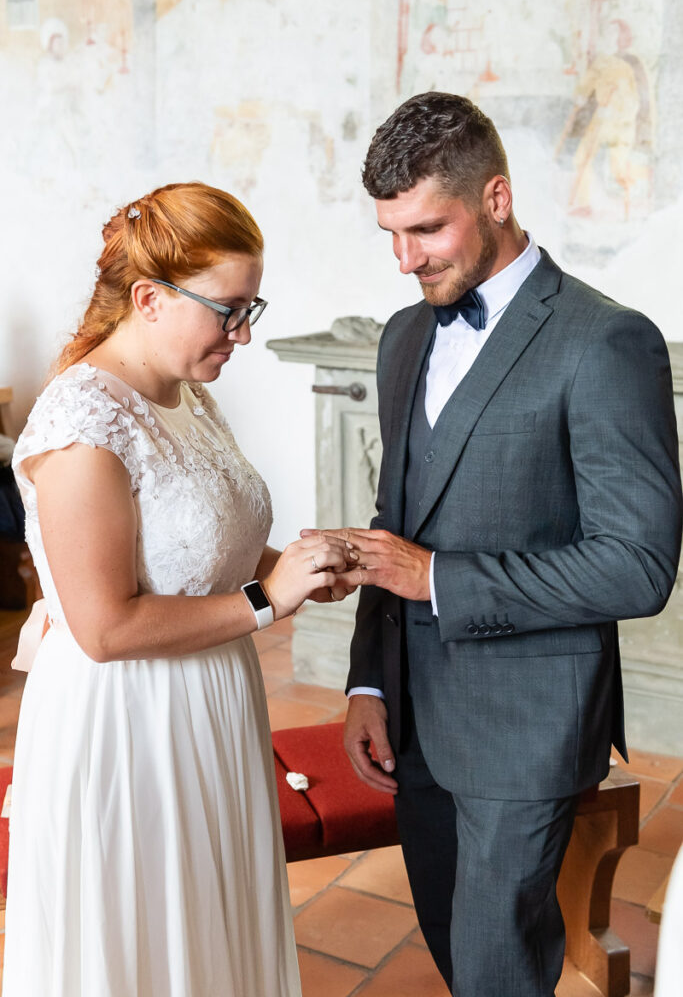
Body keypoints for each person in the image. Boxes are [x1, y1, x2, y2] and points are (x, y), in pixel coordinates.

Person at [316, 93, 683, 996]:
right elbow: (388, 521)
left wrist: (437, 576)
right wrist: (368, 680)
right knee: (452, 945)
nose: (406, 260)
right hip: (411, 715)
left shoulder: (606, 342)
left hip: (528, 722)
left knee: (496, 967)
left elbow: (639, 566)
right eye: (389, 235)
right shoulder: (404, 336)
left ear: (496, 197)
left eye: (426, 229)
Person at [4, 182, 352, 997]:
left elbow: (205, 541)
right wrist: (271, 600)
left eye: (250, 307)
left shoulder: (187, 391)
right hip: (127, 725)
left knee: (207, 924)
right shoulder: (82, 424)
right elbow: (104, 627)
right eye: (227, 309)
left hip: (211, 697)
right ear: (150, 299)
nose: (244, 333)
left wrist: (292, 568)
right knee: (144, 940)